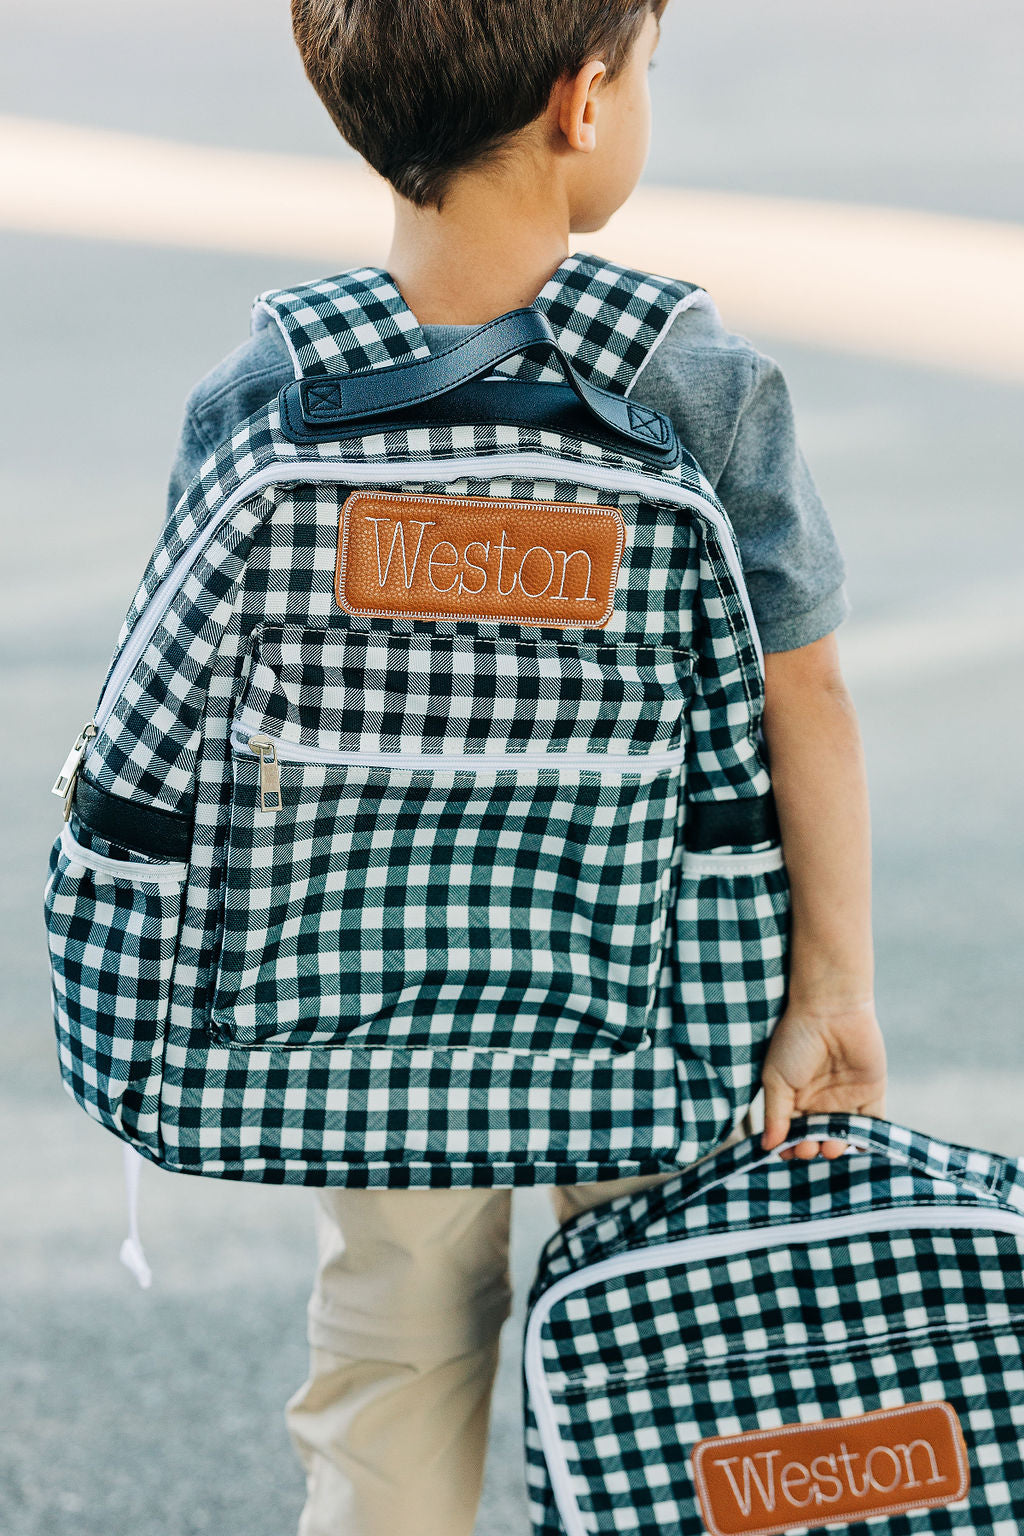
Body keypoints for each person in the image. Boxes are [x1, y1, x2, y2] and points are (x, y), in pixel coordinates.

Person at [165, 3, 888, 1531]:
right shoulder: (690, 378)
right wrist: (830, 986)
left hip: (360, 1001)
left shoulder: (278, 381)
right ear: (583, 102)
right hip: (658, 986)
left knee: (391, 1339)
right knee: (673, 1338)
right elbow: (803, 690)